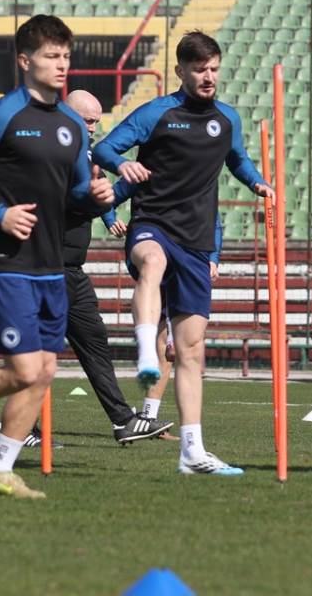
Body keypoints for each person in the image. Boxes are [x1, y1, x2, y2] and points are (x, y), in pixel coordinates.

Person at [0, 15, 115, 499]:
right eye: (51, 56)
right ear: (24, 61)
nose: (61, 65)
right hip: (3, 260)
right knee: (25, 369)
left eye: (65, 57)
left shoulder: (71, 125)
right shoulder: (1, 116)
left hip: (52, 263)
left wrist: (97, 196)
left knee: (46, 370)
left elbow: (76, 192)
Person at [92, 31, 269, 476]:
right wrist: (122, 165)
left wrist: (257, 182)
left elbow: (238, 160)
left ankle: (193, 451)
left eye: (213, 69)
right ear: (181, 71)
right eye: (199, 70)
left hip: (197, 239)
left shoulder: (226, 119)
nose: (209, 77)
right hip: (153, 223)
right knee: (152, 262)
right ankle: (146, 352)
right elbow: (105, 147)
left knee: (191, 350)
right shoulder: (156, 113)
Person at [62, 89, 173, 444]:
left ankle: (122, 421)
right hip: (44, 268)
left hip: (72, 271)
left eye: (97, 121)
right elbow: (82, 202)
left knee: (95, 344)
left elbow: (95, 198)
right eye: (88, 120)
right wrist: (126, 186)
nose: (94, 128)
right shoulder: (58, 154)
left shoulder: (83, 153)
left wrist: (120, 192)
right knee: (32, 358)